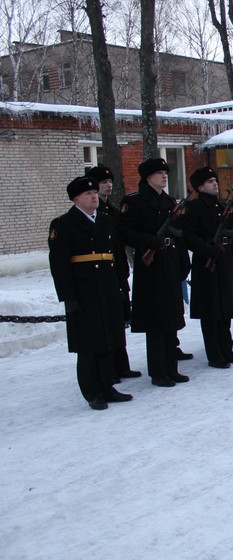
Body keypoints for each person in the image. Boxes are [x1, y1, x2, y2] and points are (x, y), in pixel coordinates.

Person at [49, 176, 133, 410]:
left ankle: (108, 385)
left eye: (95, 192)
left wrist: (120, 286)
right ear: (75, 199)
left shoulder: (105, 220)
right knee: (89, 345)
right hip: (84, 290)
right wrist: (69, 297)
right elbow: (59, 265)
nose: (94, 196)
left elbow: (115, 255)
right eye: (88, 194)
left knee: (109, 341)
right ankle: (92, 391)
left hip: (107, 287)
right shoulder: (63, 224)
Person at [117, 157, 191, 387]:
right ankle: (158, 372)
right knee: (156, 321)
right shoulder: (135, 202)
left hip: (169, 261)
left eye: (166, 172)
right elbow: (124, 232)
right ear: (148, 177)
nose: (164, 176)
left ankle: (172, 367)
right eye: (159, 173)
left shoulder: (170, 202)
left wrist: (183, 263)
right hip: (150, 266)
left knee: (171, 317)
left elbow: (179, 234)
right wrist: (149, 241)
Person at [179, 167, 233, 369]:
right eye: (209, 182)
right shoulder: (195, 207)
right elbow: (188, 235)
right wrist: (207, 249)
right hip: (207, 264)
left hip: (223, 261)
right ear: (199, 187)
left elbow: (229, 231)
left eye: (215, 180)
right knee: (211, 311)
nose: (215, 183)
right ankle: (215, 354)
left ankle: (226, 349)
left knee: (225, 309)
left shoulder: (221, 205)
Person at [86, 164, 140, 381]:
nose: (108, 186)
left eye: (109, 182)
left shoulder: (111, 211)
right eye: (102, 183)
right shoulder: (93, 213)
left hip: (117, 270)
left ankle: (121, 364)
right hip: (102, 274)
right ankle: (110, 369)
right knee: (108, 322)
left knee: (119, 319)